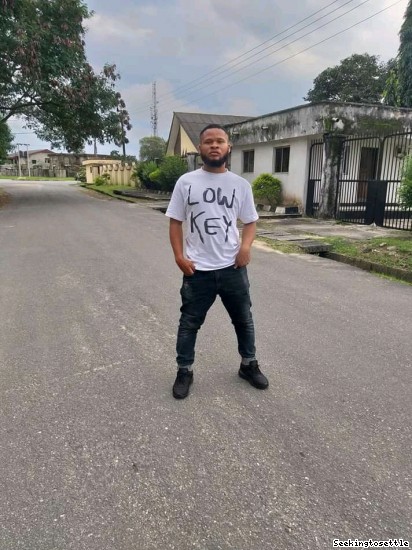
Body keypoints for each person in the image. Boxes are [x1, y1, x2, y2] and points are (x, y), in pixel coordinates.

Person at [166, 124, 268, 399]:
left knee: (243, 320)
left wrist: (245, 247)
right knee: (189, 323)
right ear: (200, 148)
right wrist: (179, 256)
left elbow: (250, 222)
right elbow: (175, 222)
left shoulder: (240, 185)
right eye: (208, 141)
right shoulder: (186, 182)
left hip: (233, 268)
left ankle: (248, 364)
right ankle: (184, 370)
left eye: (220, 141)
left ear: (228, 147)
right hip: (197, 270)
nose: (214, 145)